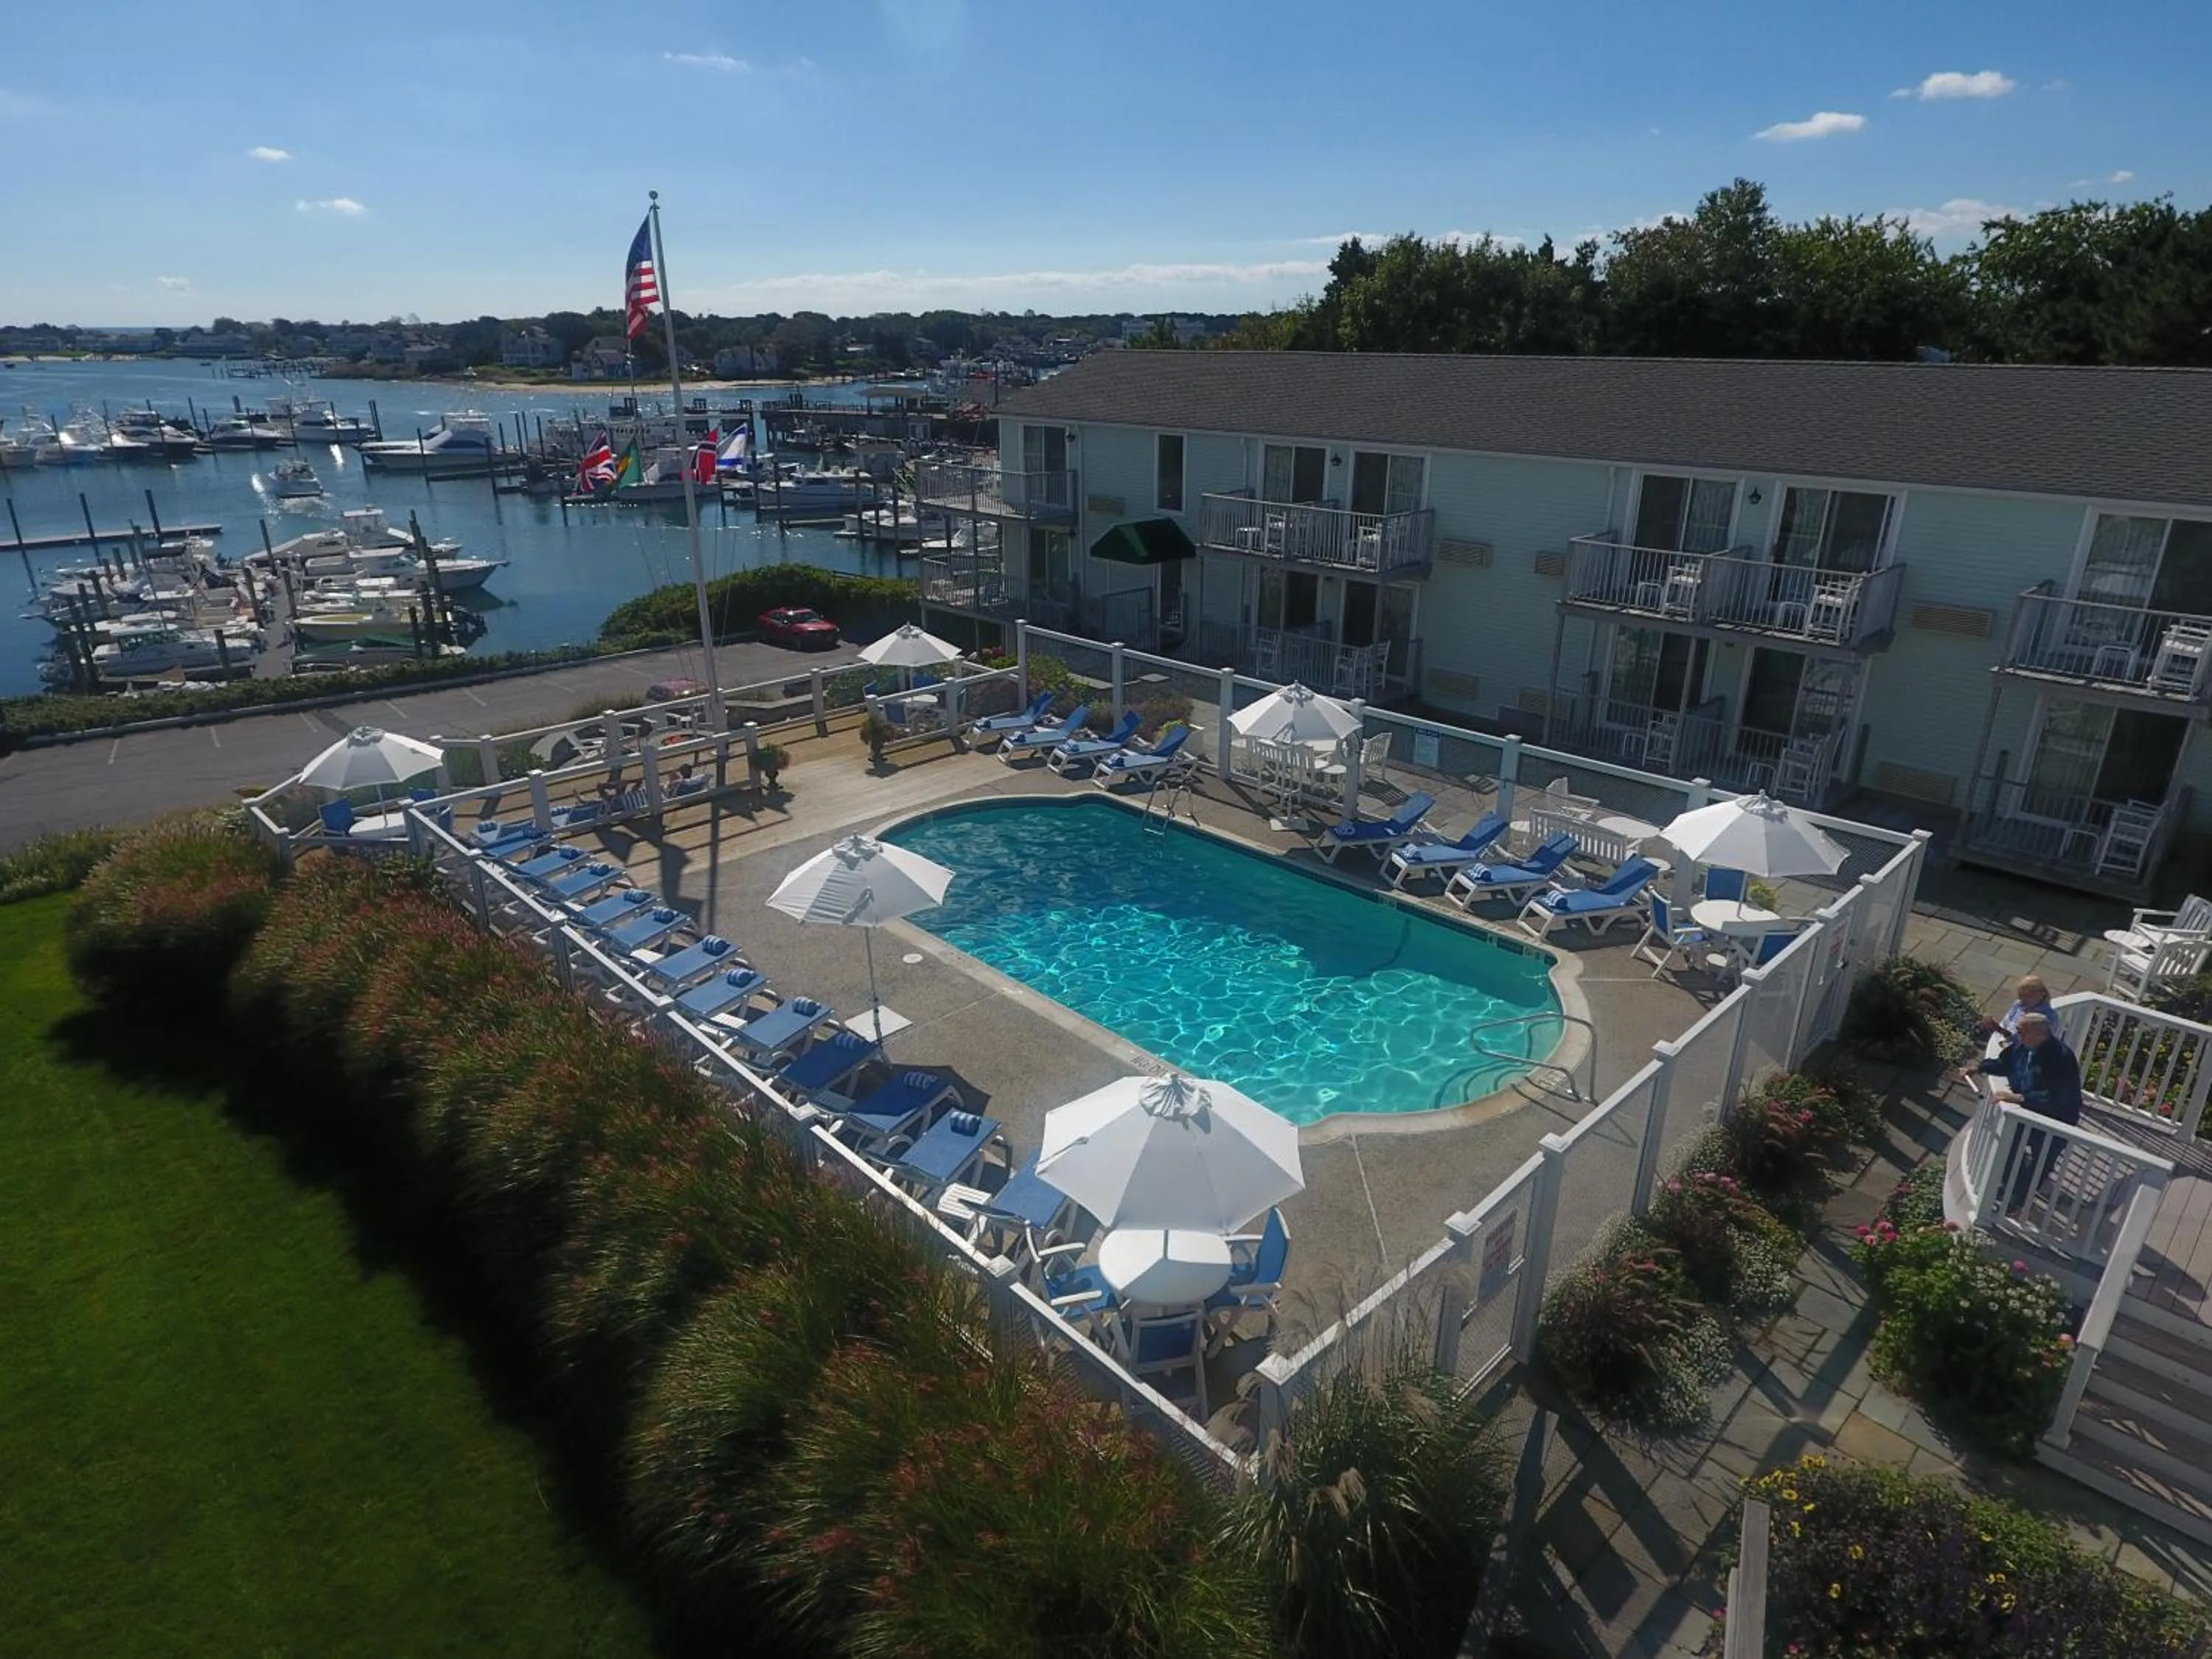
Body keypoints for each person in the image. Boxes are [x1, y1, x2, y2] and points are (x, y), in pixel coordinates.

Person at [1962, 1012, 2082, 1210]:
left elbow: (2056, 1097)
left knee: (2040, 1162)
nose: (2017, 1035)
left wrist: (2019, 1098)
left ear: (2039, 1034)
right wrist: (1980, 1068)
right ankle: (2007, 1187)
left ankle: (2017, 1200)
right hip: (2026, 1113)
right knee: (2010, 1148)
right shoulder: (2022, 1046)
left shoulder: (2060, 1057)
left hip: (2055, 1118)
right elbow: (2005, 1064)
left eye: (2021, 1031)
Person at [1977, 975, 2062, 1044]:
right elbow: (2007, 1023)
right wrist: (1995, 1027)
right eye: (2021, 996)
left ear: (2041, 994)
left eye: (2027, 996)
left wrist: (2000, 1030)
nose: (2023, 1000)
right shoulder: (2019, 1005)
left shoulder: (2048, 1018)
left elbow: (2031, 1044)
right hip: (2004, 1043)